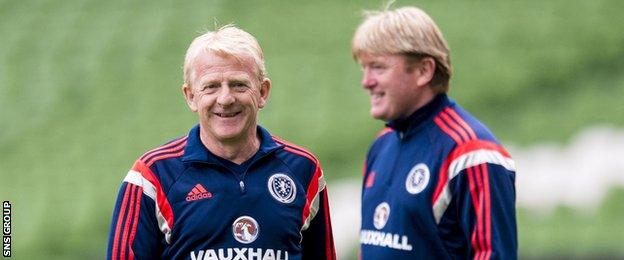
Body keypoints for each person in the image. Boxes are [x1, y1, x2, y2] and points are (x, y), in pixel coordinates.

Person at [107, 25, 336, 260]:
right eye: (211, 86)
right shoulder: (152, 176)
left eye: (239, 84)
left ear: (263, 92)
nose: (225, 99)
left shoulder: (304, 169)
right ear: (191, 96)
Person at [352, 6, 517, 259]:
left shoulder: (472, 154)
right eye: (364, 68)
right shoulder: (380, 147)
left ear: (423, 70)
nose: (366, 81)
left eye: (378, 67)